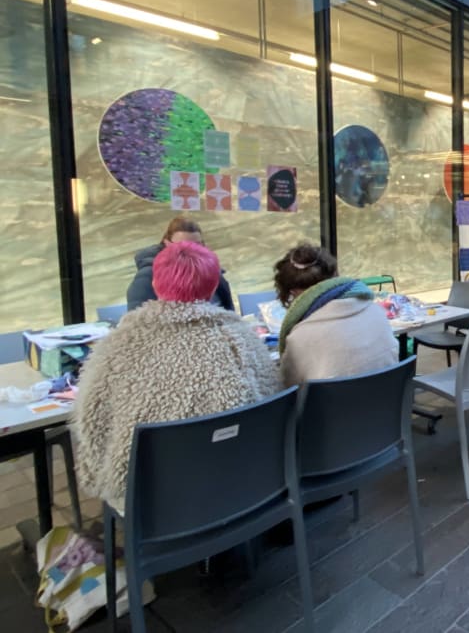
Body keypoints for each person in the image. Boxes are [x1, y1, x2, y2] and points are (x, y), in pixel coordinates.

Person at [73, 241, 280, 510]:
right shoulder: (245, 341)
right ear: (213, 288)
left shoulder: (115, 347)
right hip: (241, 484)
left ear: (155, 284)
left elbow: (93, 426)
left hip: (148, 499)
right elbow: (270, 400)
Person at [275, 243, 398, 388]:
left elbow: (288, 388)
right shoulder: (375, 310)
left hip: (337, 402)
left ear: (293, 292)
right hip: (388, 397)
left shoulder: (299, 338)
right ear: (334, 276)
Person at [126, 216, 234, 311]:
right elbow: (137, 320)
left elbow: (229, 309)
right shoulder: (147, 277)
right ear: (166, 243)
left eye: (197, 245)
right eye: (182, 245)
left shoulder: (210, 270)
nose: (191, 250)